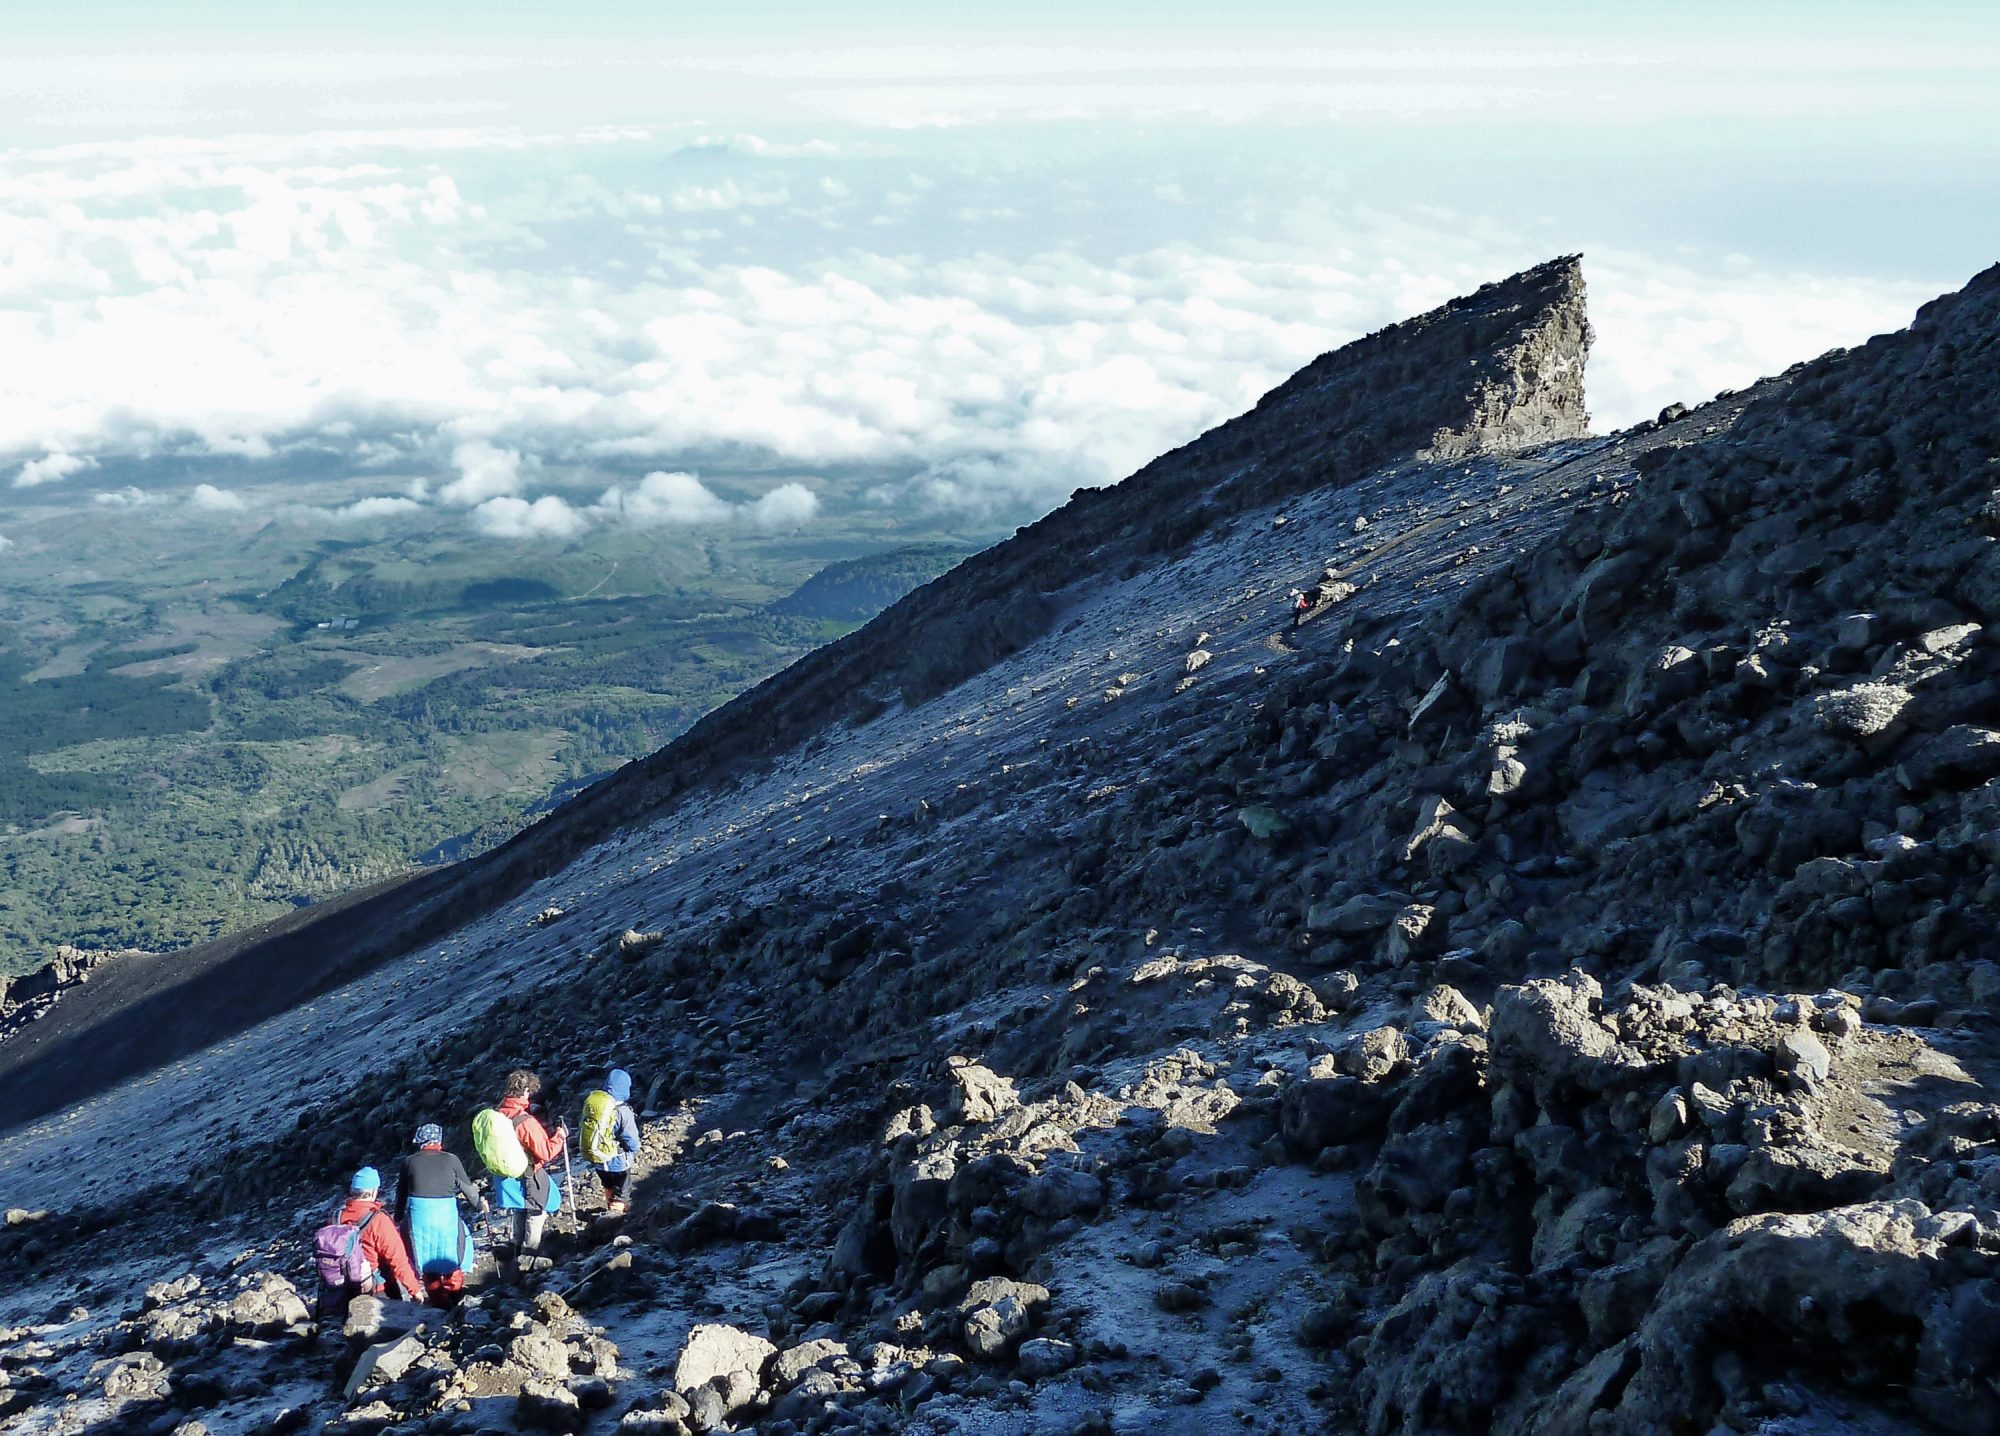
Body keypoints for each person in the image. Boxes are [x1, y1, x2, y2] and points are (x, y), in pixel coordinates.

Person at [394, 1123, 485, 1303]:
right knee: (453, 1252)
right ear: (439, 1140)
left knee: (425, 1255)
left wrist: (398, 1217)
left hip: (419, 1216)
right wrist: (479, 1205)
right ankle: (456, 1296)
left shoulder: (409, 1162)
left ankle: (437, 1300)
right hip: (446, 1214)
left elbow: (401, 1193)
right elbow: (468, 1189)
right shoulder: (451, 1159)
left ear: (420, 1141)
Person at [317, 1167, 425, 1315]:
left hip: (340, 1290)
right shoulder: (379, 1220)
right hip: (376, 1289)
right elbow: (398, 1260)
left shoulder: (336, 1217)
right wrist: (415, 1291)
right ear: (373, 1192)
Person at [491, 1070, 566, 1273]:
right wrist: (560, 1135)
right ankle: (529, 1257)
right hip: (529, 1174)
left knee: (519, 1208)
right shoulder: (525, 1122)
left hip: (506, 1175)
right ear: (524, 1091)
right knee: (536, 1210)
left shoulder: (497, 1115)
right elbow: (546, 1152)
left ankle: (516, 1250)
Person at [580, 1068, 642, 1216]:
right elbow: (631, 1139)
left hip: (599, 1160)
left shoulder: (595, 1104)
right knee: (620, 1196)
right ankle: (613, 1223)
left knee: (608, 1187)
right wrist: (634, 1150)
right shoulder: (622, 1110)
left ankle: (609, 1212)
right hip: (619, 1162)